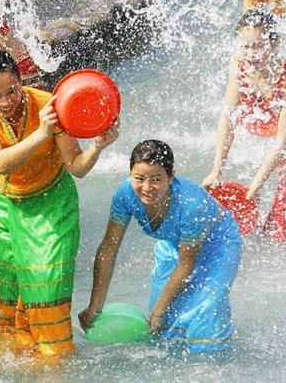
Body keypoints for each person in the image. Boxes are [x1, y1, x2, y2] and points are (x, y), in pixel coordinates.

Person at [0, 50, 119, 357]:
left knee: (48, 289)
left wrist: (98, 146)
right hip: (9, 208)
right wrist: (41, 133)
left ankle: (55, 363)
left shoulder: (51, 105)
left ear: (22, 84)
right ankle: (22, 359)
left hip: (54, 206)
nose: (6, 102)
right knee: (9, 296)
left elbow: (76, 167)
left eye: (12, 91)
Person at [79, 140, 243, 354]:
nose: (147, 188)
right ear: (130, 175)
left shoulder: (190, 203)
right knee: (163, 326)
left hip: (218, 244)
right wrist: (95, 307)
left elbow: (186, 265)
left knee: (206, 307)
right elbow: (109, 248)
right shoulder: (125, 194)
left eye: (156, 179)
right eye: (139, 178)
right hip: (174, 243)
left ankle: (211, 360)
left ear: (171, 177)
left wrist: (157, 311)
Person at [202, 9, 286, 243]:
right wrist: (217, 169)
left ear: (275, 43)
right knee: (283, 219)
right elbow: (228, 118)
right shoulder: (238, 65)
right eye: (244, 46)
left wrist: (255, 186)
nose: (249, 54)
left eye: (257, 46)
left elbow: (283, 143)